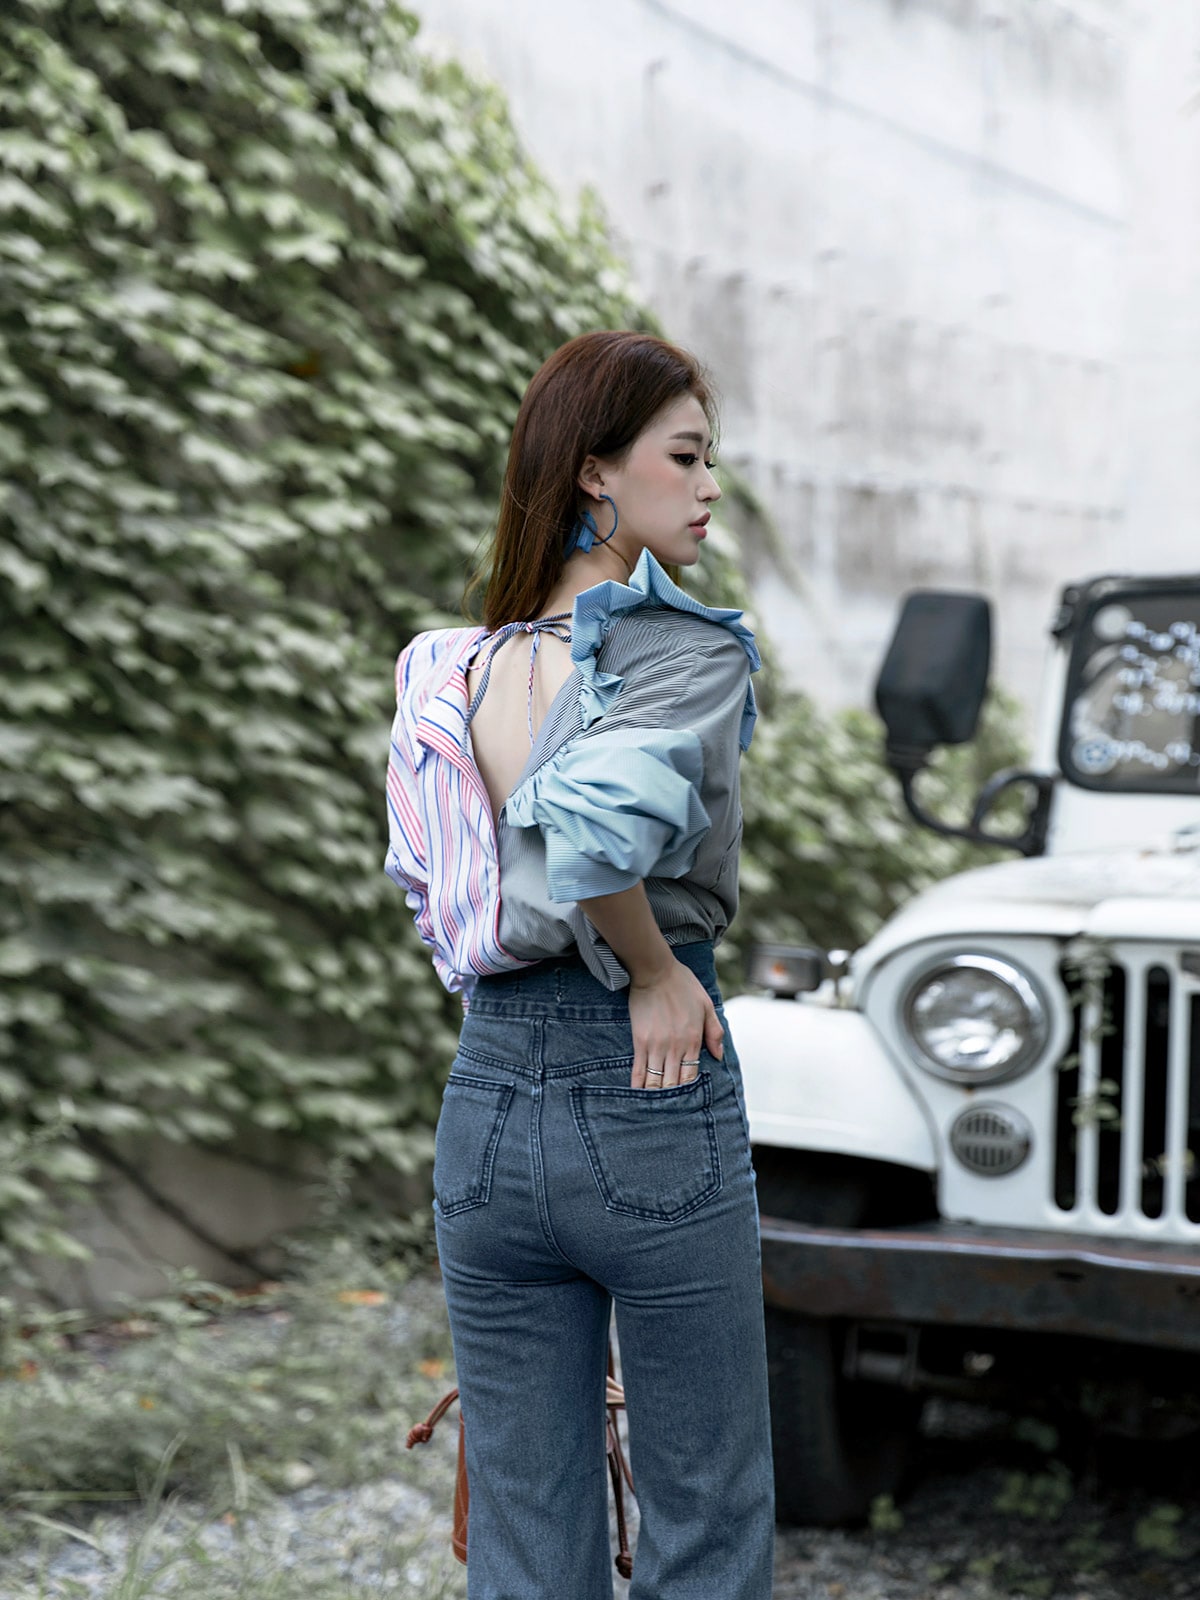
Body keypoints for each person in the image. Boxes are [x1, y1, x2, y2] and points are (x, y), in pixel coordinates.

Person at [384, 329, 774, 1598]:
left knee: (523, 1520)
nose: (709, 486)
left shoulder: (451, 663)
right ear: (596, 473)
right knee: (703, 1513)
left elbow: (431, 875)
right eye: (687, 456)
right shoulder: (685, 650)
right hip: (648, 1089)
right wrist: (655, 971)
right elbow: (597, 844)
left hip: (487, 1095)